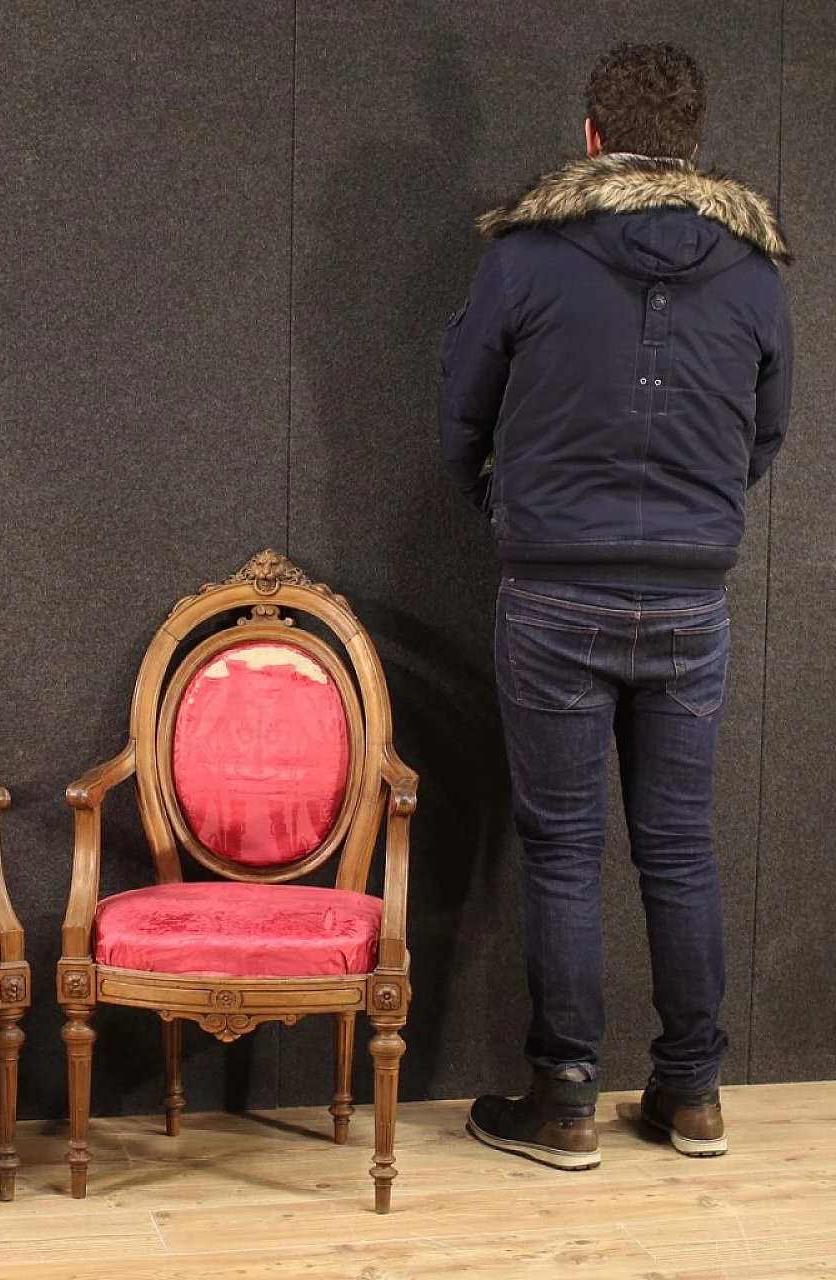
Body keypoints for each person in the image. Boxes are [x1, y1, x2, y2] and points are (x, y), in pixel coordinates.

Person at [437, 41, 792, 1170]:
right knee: (679, 850)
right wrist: (686, 521)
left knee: (560, 854)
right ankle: (691, 1093)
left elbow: (459, 409)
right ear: (693, 145)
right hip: (691, 597)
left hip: (551, 590)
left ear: (591, 136)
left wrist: (508, 503)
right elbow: (763, 432)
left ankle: (565, 1101)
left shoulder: (526, 258)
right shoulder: (751, 272)